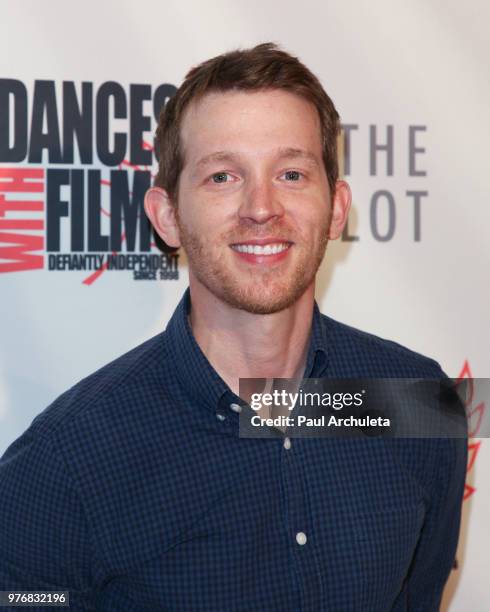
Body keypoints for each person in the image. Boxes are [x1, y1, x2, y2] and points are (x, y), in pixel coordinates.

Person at [0, 43, 467, 611]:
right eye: (223, 177)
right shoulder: (67, 459)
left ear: (337, 208)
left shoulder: (420, 404)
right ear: (167, 216)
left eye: (291, 173)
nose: (261, 207)